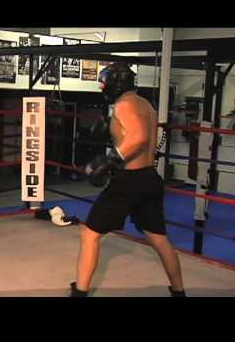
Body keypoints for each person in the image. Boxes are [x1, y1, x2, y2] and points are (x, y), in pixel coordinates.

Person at [70, 62, 186, 297]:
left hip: (128, 181)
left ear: (115, 83)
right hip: (149, 178)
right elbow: (144, 138)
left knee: (89, 234)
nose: (103, 88)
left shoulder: (124, 104)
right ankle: (179, 292)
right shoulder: (146, 105)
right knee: (159, 239)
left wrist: (111, 159)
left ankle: (80, 292)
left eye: (104, 83)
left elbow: (140, 137)